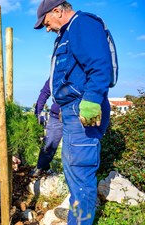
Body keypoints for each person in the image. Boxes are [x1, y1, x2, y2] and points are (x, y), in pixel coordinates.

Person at [34, 1, 116, 224]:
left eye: (46, 22)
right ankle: (76, 215)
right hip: (71, 112)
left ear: (57, 11)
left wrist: (90, 101)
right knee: (73, 170)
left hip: (82, 111)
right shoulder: (67, 33)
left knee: (80, 173)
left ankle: (80, 221)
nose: (47, 28)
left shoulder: (83, 25)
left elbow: (100, 65)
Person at [31, 78, 62, 177]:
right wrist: (37, 113)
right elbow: (44, 92)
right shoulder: (55, 74)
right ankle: (41, 167)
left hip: (75, 116)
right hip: (56, 117)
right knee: (49, 143)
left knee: (74, 147)